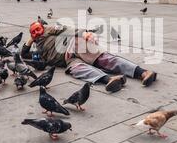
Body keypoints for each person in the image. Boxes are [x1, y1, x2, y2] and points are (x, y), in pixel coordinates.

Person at [21, 22, 158, 93]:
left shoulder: (51, 29)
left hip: (73, 45)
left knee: (104, 59)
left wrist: (84, 33)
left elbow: (68, 29)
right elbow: (24, 54)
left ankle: (143, 73)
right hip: (68, 60)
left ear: (43, 27)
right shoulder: (38, 48)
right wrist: (30, 41)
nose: (37, 32)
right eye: (33, 32)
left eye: (38, 29)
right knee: (77, 70)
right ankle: (111, 80)